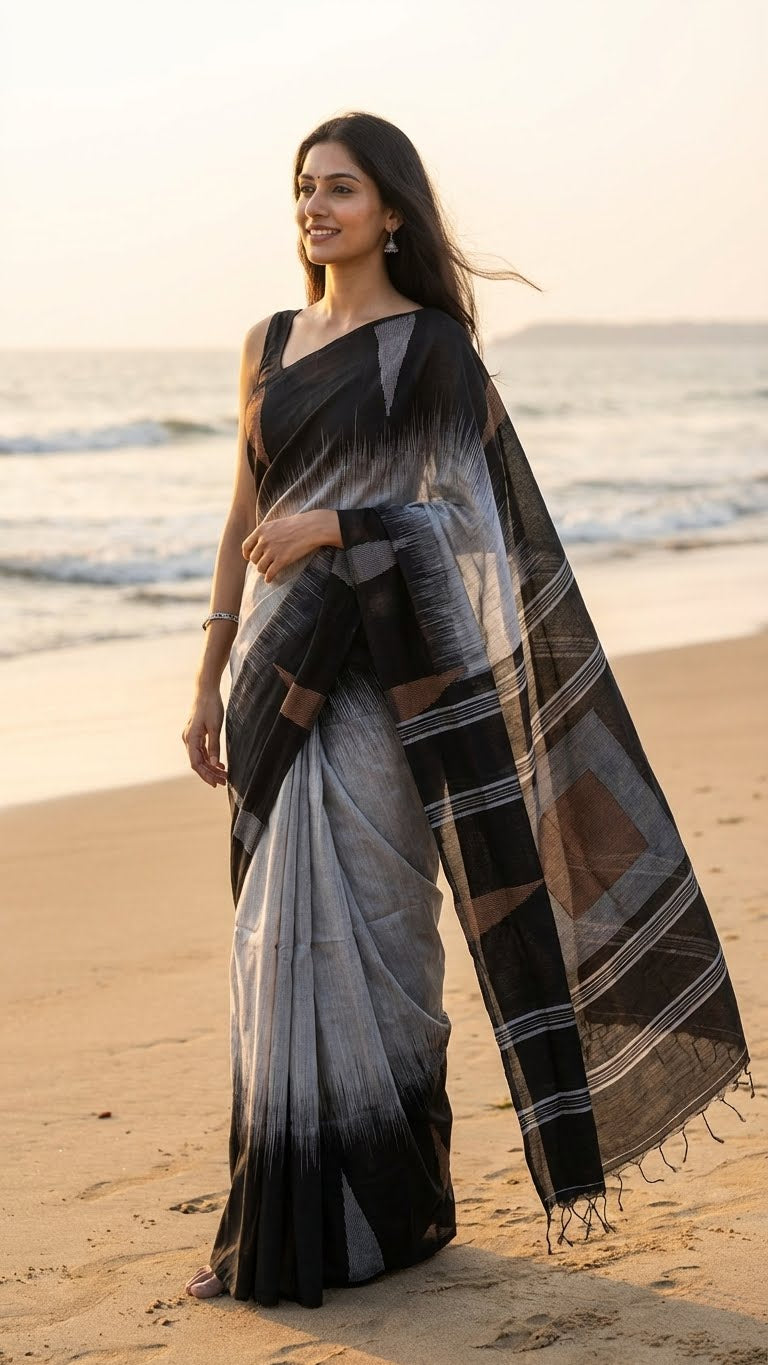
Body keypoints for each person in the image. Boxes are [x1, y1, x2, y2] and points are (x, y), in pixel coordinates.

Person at [181, 111, 751, 1309]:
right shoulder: (270, 343)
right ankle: (287, 1208)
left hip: (383, 692)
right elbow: (241, 520)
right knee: (270, 950)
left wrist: (344, 526)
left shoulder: (429, 351)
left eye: (339, 190)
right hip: (274, 681)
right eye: (302, 191)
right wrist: (206, 671)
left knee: (377, 940)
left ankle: (384, 1209)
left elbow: (475, 539)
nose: (315, 210)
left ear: (393, 210)